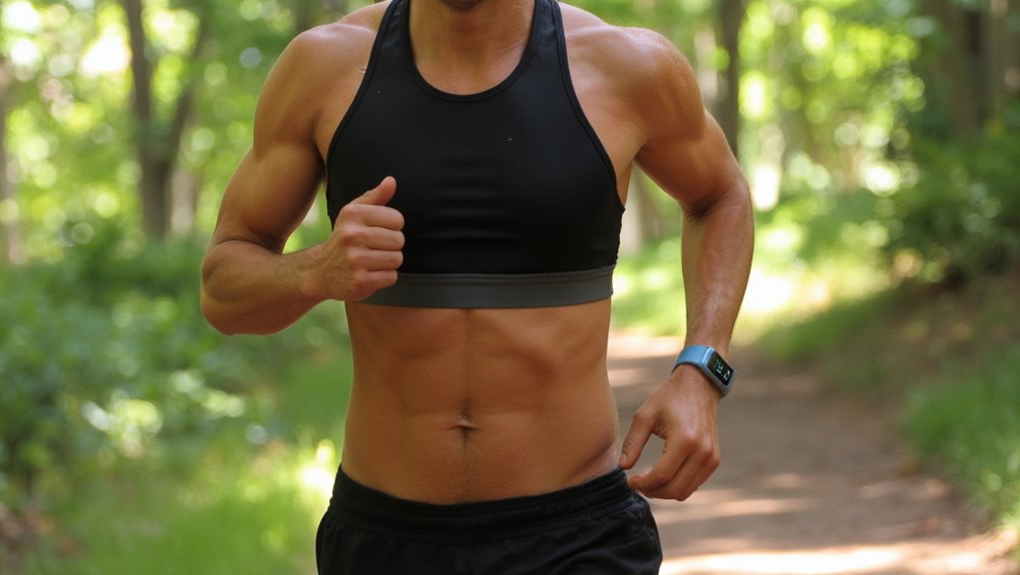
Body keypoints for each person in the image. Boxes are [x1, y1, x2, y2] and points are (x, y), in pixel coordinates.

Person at [200, 0, 753, 572]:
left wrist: (702, 371)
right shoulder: (326, 67)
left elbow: (720, 196)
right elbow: (222, 288)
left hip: (577, 536)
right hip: (386, 537)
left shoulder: (625, 65)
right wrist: (313, 270)